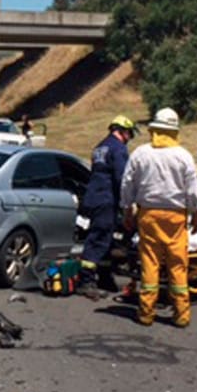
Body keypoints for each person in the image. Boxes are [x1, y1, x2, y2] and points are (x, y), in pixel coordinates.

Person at [119, 108, 197, 328]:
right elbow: (192, 190)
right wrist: (196, 215)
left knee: (150, 263)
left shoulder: (140, 153)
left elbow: (127, 183)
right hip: (175, 217)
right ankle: (181, 315)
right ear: (175, 131)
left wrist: (127, 209)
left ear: (153, 129)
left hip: (149, 215)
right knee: (177, 265)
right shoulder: (183, 155)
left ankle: (146, 314)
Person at [77, 115, 137, 300]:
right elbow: (122, 178)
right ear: (123, 131)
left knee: (106, 241)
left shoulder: (99, 147)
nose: (129, 138)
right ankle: (86, 281)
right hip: (106, 199)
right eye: (129, 134)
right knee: (99, 239)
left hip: (94, 198)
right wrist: (129, 202)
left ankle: (104, 277)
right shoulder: (118, 149)